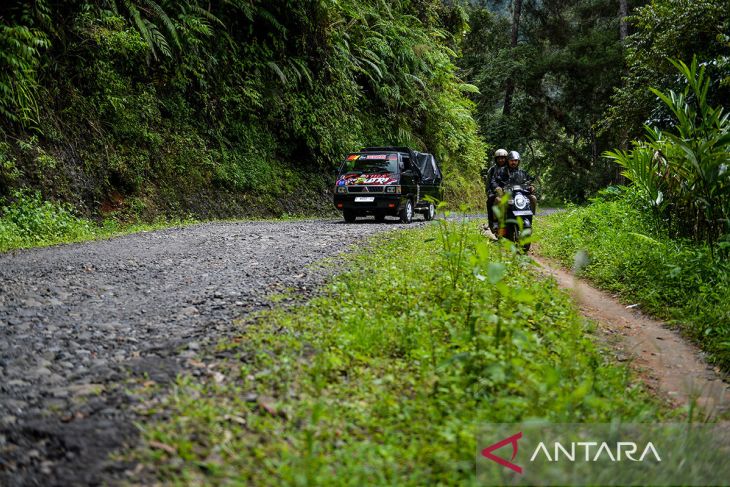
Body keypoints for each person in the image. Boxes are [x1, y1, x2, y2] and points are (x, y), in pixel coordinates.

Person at [481, 148, 509, 231]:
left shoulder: (510, 169)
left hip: (508, 192)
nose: (501, 160)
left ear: (506, 159)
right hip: (495, 192)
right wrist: (490, 192)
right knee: (490, 201)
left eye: (503, 158)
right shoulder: (492, 170)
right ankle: (493, 222)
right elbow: (489, 183)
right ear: (496, 159)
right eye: (499, 158)